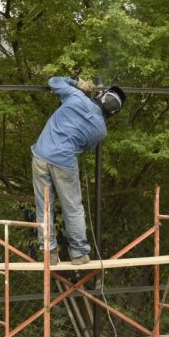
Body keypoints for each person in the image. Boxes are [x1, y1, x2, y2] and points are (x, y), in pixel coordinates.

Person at [31, 76, 127, 266]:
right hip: (65, 163)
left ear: (101, 97)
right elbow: (86, 146)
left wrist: (77, 84)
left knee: (44, 206)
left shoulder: (76, 96)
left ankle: (49, 253)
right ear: (113, 113)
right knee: (73, 208)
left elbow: (53, 81)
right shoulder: (101, 130)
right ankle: (78, 253)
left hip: (41, 155)